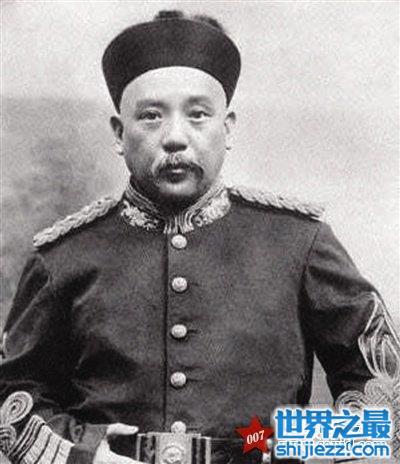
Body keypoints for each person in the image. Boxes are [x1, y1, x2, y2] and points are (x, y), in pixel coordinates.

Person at [0, 10, 399, 464]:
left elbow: (386, 397)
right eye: (151, 116)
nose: (175, 137)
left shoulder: (299, 243)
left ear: (227, 128)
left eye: (197, 115)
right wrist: (86, 455)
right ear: (119, 133)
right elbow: (12, 400)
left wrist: (287, 443)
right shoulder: (64, 257)